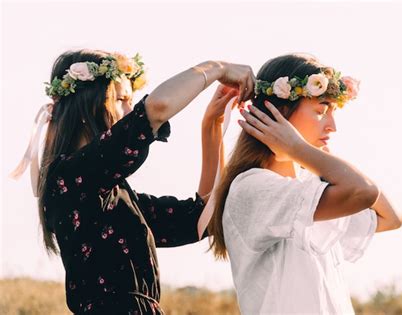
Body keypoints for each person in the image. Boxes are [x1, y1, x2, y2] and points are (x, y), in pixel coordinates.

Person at [11, 49, 254, 314]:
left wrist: (212, 125)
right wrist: (217, 67)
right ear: (87, 105)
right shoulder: (69, 178)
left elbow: (198, 219)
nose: (130, 109)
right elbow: (156, 109)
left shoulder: (113, 195)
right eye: (122, 99)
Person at [207, 53, 402, 315]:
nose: (332, 126)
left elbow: (393, 218)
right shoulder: (253, 188)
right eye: (320, 111)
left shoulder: (308, 190)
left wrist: (305, 153)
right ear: (279, 113)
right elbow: (365, 192)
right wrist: (298, 147)